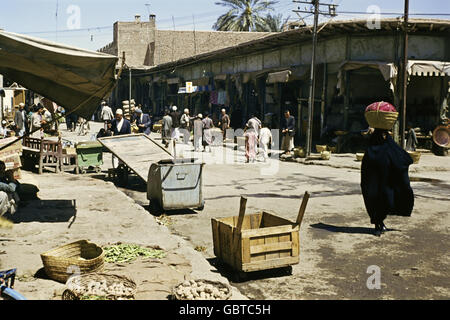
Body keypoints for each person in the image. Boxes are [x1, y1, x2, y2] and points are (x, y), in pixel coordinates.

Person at [361, 129, 415, 237]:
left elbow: (402, 158)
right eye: (382, 135)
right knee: (374, 203)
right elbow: (365, 170)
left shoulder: (389, 147)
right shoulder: (370, 151)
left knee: (387, 201)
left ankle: (380, 223)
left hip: (386, 183)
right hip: (373, 184)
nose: (384, 137)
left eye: (385, 135)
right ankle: (378, 225)